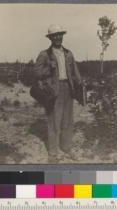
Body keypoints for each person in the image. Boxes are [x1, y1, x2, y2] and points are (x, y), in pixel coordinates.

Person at [34, 24, 82, 162]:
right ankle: (53, 153)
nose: (58, 37)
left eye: (60, 34)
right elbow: (36, 72)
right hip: (53, 91)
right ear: (51, 38)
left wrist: (80, 84)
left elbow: (75, 71)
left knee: (68, 121)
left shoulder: (68, 53)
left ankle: (67, 148)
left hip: (69, 88)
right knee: (54, 121)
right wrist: (49, 68)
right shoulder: (44, 54)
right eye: (55, 35)